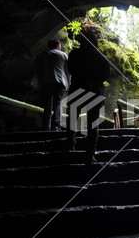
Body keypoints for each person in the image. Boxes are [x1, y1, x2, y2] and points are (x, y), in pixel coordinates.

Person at [67, 31, 111, 163]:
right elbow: (106, 74)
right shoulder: (100, 56)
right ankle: (90, 153)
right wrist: (93, 79)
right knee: (93, 123)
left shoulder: (74, 54)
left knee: (72, 119)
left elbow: (71, 70)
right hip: (95, 91)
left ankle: (70, 145)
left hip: (77, 89)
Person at [33, 39, 70, 131]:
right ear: (58, 46)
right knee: (58, 104)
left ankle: (46, 126)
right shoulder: (63, 55)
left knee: (47, 104)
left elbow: (37, 70)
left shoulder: (42, 55)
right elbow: (67, 72)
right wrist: (68, 85)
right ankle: (56, 126)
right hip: (59, 83)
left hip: (46, 83)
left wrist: (37, 84)